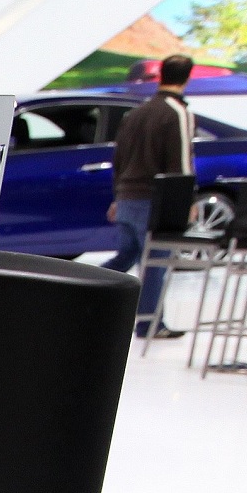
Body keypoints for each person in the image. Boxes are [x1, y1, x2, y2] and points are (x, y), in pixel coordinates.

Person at [107, 51, 199, 339]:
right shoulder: (177, 112)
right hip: (154, 199)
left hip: (127, 195)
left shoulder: (136, 113)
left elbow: (119, 157)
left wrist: (116, 197)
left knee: (127, 255)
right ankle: (150, 324)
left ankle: (84, 294)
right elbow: (181, 161)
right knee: (156, 259)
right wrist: (187, 201)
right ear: (188, 77)